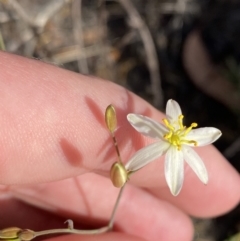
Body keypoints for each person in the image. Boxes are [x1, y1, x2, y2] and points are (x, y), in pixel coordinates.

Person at [0, 51, 239, 241]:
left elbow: (165, 172)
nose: (177, 134)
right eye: (176, 132)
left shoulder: (178, 150)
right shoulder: (159, 136)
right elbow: (137, 129)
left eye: (179, 133)